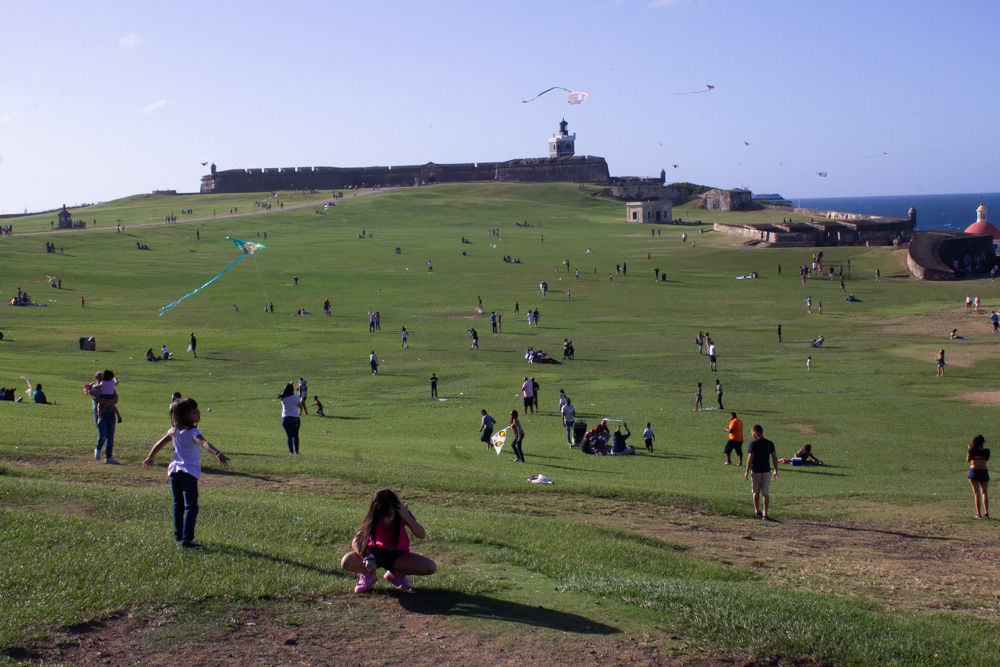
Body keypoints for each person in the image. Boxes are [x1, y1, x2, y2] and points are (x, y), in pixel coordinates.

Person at [142, 397, 230, 548]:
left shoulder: (174, 431)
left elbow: (159, 443)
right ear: (185, 416)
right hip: (188, 473)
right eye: (194, 412)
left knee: (178, 505)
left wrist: (150, 456)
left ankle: (179, 534)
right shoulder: (193, 432)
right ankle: (188, 540)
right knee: (191, 507)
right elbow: (203, 442)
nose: (198, 413)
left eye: (197, 411)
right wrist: (217, 453)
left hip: (174, 472)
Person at [340, 488, 437, 593]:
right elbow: (356, 540)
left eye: (389, 515)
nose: (385, 520)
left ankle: (396, 575)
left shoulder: (402, 515)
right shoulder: (373, 517)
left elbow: (421, 534)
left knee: (430, 567)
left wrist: (406, 516)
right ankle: (368, 575)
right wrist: (366, 557)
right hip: (374, 554)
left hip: (397, 555)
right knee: (346, 561)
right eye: (381, 517)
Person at [744, 424, 778, 519]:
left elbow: (750, 457)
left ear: (756, 432)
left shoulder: (753, 443)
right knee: (765, 493)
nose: (752, 434)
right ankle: (765, 513)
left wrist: (747, 470)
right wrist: (775, 470)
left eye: (752, 432)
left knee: (756, 491)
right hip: (766, 471)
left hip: (756, 471)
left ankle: (757, 511)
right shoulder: (769, 443)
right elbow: (774, 457)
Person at [967, 434, 990, 519]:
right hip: (984, 471)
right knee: (984, 492)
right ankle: (986, 513)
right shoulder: (986, 451)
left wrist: (970, 449)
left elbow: (968, 460)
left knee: (976, 493)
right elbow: (986, 459)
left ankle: (978, 514)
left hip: (974, 471)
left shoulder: (972, 450)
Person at [278, 382, 302, 454]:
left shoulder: (283, 398)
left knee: (289, 436)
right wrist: (300, 393)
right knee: (295, 435)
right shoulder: (295, 398)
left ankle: (291, 452)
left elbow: (284, 392)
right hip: (295, 418)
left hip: (285, 418)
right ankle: (297, 451)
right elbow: (300, 405)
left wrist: (289, 384)